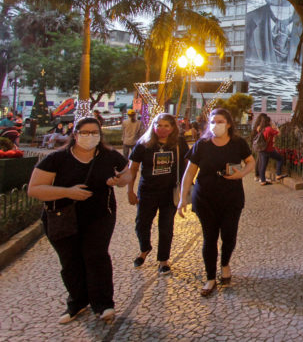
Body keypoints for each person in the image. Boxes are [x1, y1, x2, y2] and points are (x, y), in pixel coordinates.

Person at [27, 116, 131, 324]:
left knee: (96, 256)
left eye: (95, 133)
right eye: (85, 133)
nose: (90, 137)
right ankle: (77, 302)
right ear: (75, 135)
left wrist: (120, 180)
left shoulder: (109, 156)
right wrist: (67, 192)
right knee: (70, 261)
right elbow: (34, 189)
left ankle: (103, 303)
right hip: (63, 217)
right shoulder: (57, 158)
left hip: (100, 215)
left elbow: (127, 174)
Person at [177, 108, 256, 296]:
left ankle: (225, 263)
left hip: (231, 197)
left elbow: (251, 162)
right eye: (212, 122)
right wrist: (182, 198)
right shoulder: (202, 145)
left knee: (229, 236)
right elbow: (189, 172)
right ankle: (210, 277)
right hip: (205, 198)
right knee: (209, 238)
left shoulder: (238, 143)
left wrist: (242, 174)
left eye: (220, 121)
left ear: (228, 124)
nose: (215, 125)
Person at [127, 113, 189, 275]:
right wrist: (130, 190)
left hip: (170, 192)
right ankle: (145, 249)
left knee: (166, 226)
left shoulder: (179, 143)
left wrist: (186, 188)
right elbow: (133, 168)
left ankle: (163, 260)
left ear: (173, 128)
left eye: (166, 126)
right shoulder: (144, 144)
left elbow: (187, 165)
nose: (161, 129)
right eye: (158, 125)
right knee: (142, 223)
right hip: (147, 191)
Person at [252, 114, 286, 185]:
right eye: (270, 121)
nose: (271, 122)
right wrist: (276, 128)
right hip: (269, 150)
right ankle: (278, 174)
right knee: (280, 159)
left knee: (262, 165)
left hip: (261, 149)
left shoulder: (260, 128)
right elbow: (279, 133)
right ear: (268, 121)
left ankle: (263, 181)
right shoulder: (269, 129)